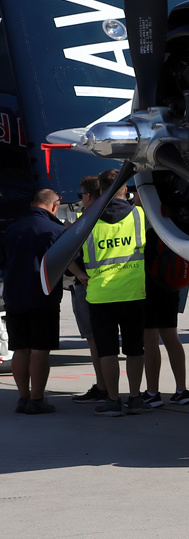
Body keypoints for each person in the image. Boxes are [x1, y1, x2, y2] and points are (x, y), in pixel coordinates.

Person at [78, 171, 148, 417]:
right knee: (135, 349)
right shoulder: (139, 215)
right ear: (124, 188)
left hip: (100, 296)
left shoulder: (85, 220)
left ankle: (112, 400)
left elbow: (64, 253)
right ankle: (136, 398)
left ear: (100, 191)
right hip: (133, 293)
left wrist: (81, 275)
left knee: (107, 351)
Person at [3, 188, 67, 414]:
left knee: (20, 349)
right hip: (43, 298)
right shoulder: (58, 230)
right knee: (40, 350)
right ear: (54, 206)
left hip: (14, 297)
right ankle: (37, 399)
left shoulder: (11, 229)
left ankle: (23, 398)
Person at [134, 189, 189, 407]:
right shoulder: (174, 221)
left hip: (149, 287)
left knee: (150, 340)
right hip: (171, 287)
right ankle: (181, 389)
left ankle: (152, 392)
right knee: (171, 337)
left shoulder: (144, 219)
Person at [66, 174, 109, 404]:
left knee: (95, 341)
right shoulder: (123, 216)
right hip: (120, 287)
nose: (80, 199)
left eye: (81, 195)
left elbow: (65, 256)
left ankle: (103, 386)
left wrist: (68, 232)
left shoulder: (85, 223)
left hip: (89, 288)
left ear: (90, 196)